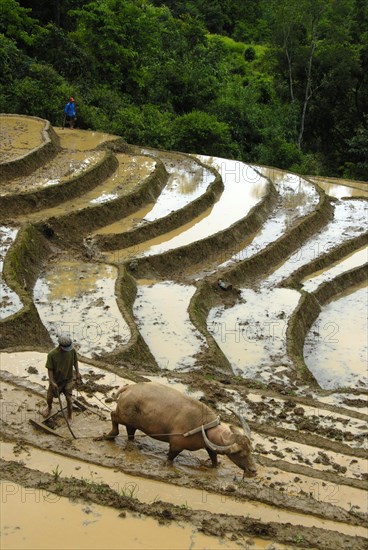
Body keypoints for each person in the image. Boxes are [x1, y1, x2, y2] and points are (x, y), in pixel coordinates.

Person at [42, 334, 81, 421]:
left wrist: (78, 372)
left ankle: (70, 414)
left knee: (69, 399)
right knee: (49, 397)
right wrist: (52, 381)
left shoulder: (72, 351)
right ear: (60, 346)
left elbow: (75, 362)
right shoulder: (52, 354)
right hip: (56, 380)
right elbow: (50, 369)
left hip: (68, 379)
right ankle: (49, 407)